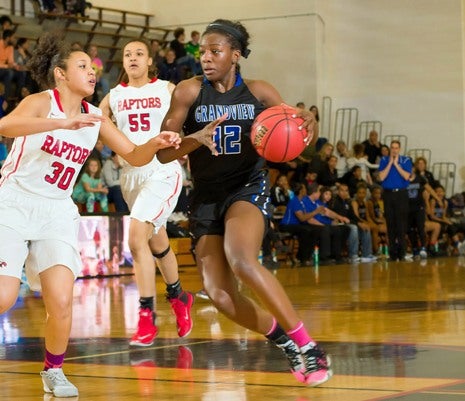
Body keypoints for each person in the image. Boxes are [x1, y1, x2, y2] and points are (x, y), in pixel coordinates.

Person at [0, 33, 186, 397]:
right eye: (82, 66)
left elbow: (133, 155)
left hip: (56, 210)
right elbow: (5, 126)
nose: (92, 71)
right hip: (13, 203)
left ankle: (53, 372)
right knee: (5, 296)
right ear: (60, 75)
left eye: (93, 67)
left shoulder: (96, 117)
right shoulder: (42, 103)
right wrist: (59, 124)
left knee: (62, 300)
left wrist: (156, 143)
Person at [157, 19, 331, 386]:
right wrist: (195, 140)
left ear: (235, 55)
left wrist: (309, 122)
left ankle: (309, 346)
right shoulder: (188, 92)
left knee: (242, 260)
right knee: (220, 295)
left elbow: (296, 136)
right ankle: (284, 342)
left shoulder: (260, 92)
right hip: (205, 196)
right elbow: (162, 154)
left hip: (246, 189)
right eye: (202, 51)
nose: (206, 57)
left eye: (214, 51)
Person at [99, 38, 195, 347]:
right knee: (158, 243)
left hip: (162, 171)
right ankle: (179, 297)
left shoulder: (166, 88)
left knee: (136, 236)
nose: (132, 58)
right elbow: (93, 125)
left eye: (139, 53)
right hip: (131, 176)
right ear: (123, 62)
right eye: (127, 54)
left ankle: (145, 316)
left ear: (149, 60)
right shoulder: (113, 96)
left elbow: (190, 116)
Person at [378, 140, 412, 261]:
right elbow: (381, 177)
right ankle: (392, 253)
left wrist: (397, 164)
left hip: (401, 194)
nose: (394, 150)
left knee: (401, 224)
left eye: (396, 148)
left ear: (399, 149)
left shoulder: (406, 160)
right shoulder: (384, 160)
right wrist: (390, 163)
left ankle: (402, 253)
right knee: (390, 224)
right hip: (388, 194)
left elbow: (406, 176)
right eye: (392, 147)